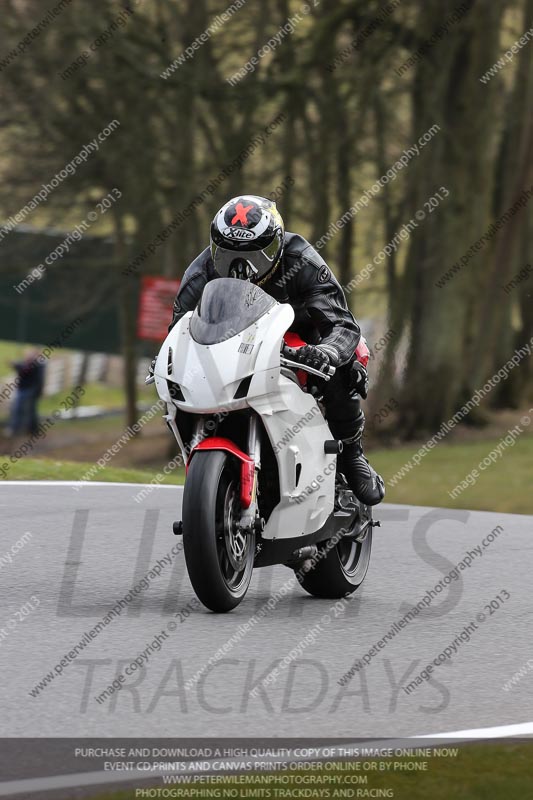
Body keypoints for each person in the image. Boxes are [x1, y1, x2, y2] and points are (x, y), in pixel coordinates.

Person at [168, 195, 385, 506]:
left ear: (277, 247)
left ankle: (351, 453)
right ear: (213, 247)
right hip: (234, 346)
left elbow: (343, 325)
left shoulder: (303, 262)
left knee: (350, 361)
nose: (240, 268)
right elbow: (179, 331)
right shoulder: (201, 273)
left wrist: (327, 352)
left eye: (256, 256)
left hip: (300, 339)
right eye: (227, 255)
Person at [7, 350, 45, 437]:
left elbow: (23, 369)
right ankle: (33, 429)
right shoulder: (36, 365)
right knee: (30, 410)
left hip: (27, 390)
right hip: (29, 390)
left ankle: (16, 428)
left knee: (19, 409)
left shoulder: (34, 365)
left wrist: (14, 364)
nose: (27, 357)